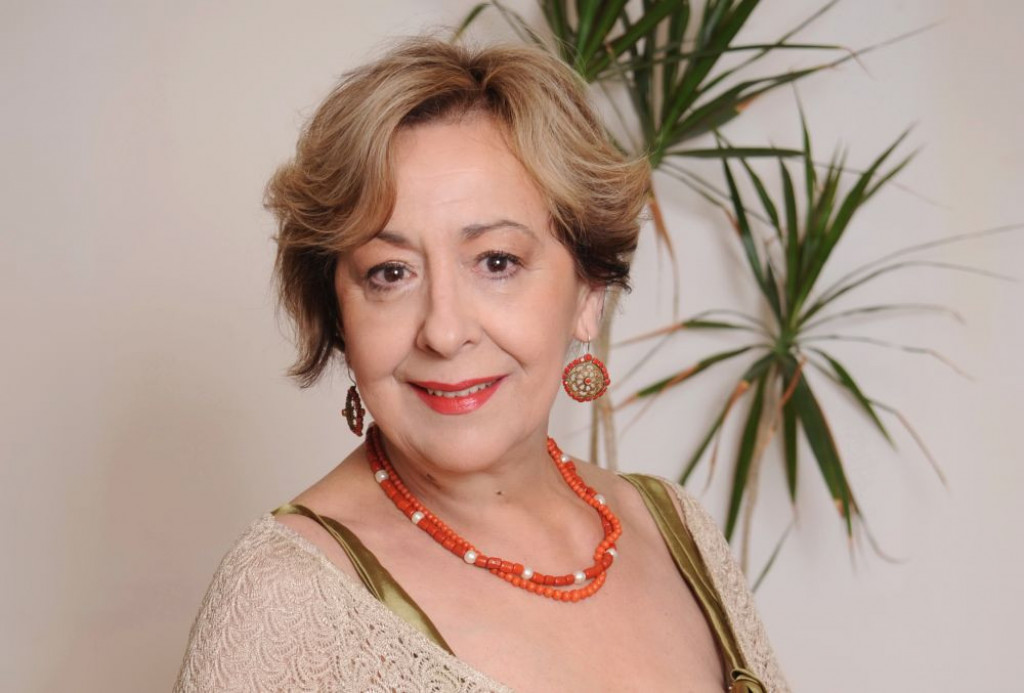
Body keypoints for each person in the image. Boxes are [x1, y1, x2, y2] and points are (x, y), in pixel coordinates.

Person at [174, 37, 787, 693]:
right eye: (390, 273)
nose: (444, 331)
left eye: (497, 262)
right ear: (340, 315)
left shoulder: (676, 529)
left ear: (588, 293)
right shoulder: (286, 596)